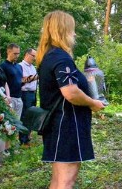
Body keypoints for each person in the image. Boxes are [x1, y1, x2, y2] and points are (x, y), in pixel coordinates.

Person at [36, 11, 105, 188]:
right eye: (72, 29)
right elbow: (70, 93)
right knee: (66, 180)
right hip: (66, 125)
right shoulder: (60, 57)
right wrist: (93, 103)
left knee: (59, 179)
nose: (74, 34)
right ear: (63, 30)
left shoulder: (50, 55)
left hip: (60, 124)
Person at [19, 48, 39, 145]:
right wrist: (38, 75)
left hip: (33, 93)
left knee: (32, 116)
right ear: (27, 54)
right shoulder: (21, 66)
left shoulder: (32, 67)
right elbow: (24, 80)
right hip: (25, 94)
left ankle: (27, 137)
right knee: (25, 116)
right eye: (33, 56)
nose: (34, 58)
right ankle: (23, 140)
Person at [1, 43, 24, 119]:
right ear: (8, 52)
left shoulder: (19, 66)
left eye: (18, 53)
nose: (17, 56)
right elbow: (2, 83)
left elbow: (20, 81)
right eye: (15, 53)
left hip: (19, 98)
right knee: (9, 122)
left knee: (17, 122)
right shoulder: (3, 66)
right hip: (10, 98)